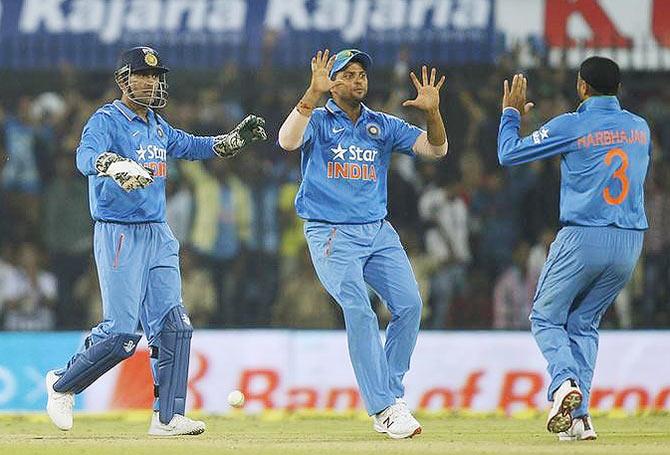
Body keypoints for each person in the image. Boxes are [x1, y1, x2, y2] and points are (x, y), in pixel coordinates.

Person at [45, 46, 267, 436]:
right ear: (123, 80)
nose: (150, 82)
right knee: (121, 334)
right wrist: (112, 164)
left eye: (155, 76)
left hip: (158, 232)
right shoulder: (106, 119)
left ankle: (167, 417)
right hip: (118, 231)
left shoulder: (158, 127)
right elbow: (84, 156)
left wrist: (232, 140)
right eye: (141, 75)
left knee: (175, 326)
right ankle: (62, 385)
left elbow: (193, 146)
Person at [278, 49, 448, 439]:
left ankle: (389, 394)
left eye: (362, 75)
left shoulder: (382, 124)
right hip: (331, 231)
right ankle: (385, 406)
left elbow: (437, 150)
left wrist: (433, 113)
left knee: (410, 305)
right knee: (359, 309)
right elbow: (287, 142)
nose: (358, 81)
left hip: (377, 231)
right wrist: (311, 93)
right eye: (348, 74)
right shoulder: (317, 119)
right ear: (331, 81)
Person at [498, 56, 650, 441]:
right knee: (584, 323)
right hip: (629, 242)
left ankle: (564, 383)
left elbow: (509, 154)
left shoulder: (572, 124)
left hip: (584, 235)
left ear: (582, 87)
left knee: (546, 318)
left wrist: (512, 115)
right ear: (618, 90)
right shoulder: (640, 129)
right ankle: (580, 419)